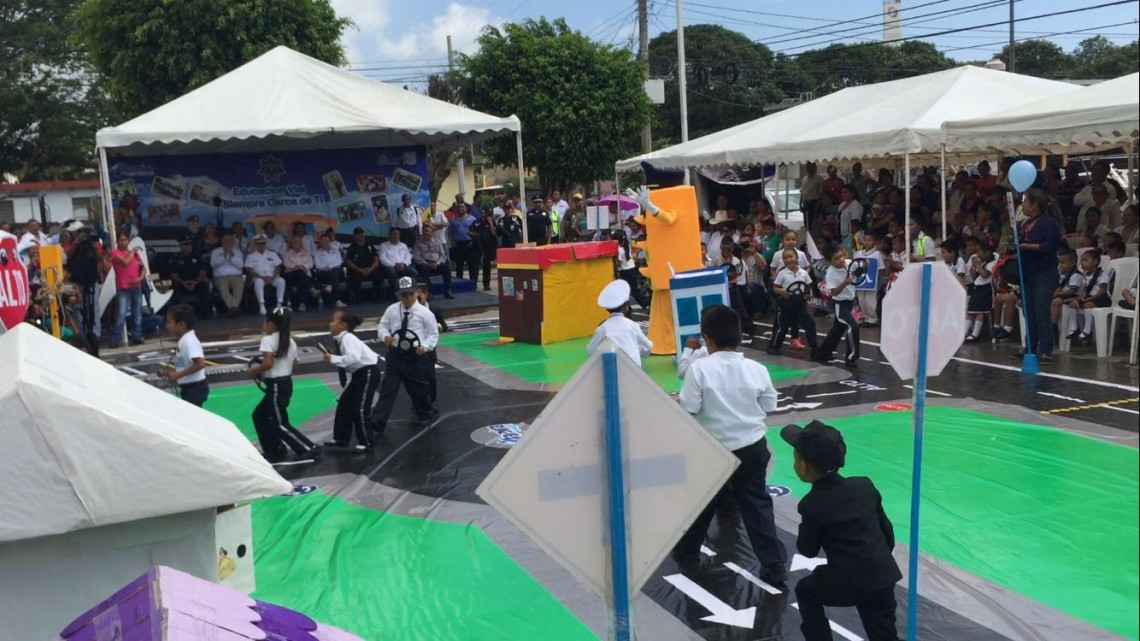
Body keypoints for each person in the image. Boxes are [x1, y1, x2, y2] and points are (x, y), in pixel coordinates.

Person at [674, 305, 787, 584]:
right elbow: (769, 404)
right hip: (751, 445)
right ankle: (774, 565)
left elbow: (690, 406)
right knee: (756, 504)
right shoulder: (757, 369)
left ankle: (687, 552)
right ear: (739, 337)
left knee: (702, 503)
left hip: (712, 449)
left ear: (707, 339)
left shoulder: (699, 368)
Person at [780, 421, 902, 641]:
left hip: (848, 581)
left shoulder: (812, 504)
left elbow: (807, 550)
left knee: (806, 591)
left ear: (803, 466)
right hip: (883, 574)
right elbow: (887, 533)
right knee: (883, 630)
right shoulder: (864, 486)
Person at [368, 277, 439, 433]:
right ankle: (378, 420)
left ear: (416, 293)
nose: (407, 298)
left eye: (410, 294)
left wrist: (425, 347)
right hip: (395, 354)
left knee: (418, 388)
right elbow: (383, 325)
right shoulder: (392, 310)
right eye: (403, 295)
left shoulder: (425, 313)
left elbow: (433, 334)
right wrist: (385, 336)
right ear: (397, 295)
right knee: (388, 387)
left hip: (415, 355)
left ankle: (426, 412)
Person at [247, 307, 318, 465]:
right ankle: (274, 449)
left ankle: (308, 447)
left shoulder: (268, 340)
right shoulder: (290, 341)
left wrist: (255, 370)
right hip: (286, 383)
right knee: (259, 415)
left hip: (276, 385)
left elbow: (268, 363)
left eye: (265, 321)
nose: (263, 324)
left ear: (271, 324)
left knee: (279, 423)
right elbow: (295, 366)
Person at [1012, 189, 1064, 365]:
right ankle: (1030, 347)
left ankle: (1046, 349)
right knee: (1029, 312)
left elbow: (1051, 244)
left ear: (1034, 205)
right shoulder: (1025, 223)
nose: (1023, 205)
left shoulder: (1048, 223)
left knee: (1041, 311)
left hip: (1044, 272)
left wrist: (1028, 246)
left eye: (1026, 201)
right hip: (1028, 272)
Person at [323, 309, 379, 452]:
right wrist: (335, 356)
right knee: (344, 404)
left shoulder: (347, 338)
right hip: (359, 374)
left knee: (360, 408)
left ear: (342, 325)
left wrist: (333, 359)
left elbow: (353, 358)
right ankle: (341, 438)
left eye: (333, 321)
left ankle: (366, 442)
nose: (330, 323)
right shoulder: (343, 339)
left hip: (367, 372)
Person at [587, 279, 652, 366]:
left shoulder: (603, 328)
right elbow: (649, 346)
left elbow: (590, 350)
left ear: (607, 309)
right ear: (626, 307)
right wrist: (640, 352)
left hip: (612, 371)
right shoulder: (632, 325)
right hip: (634, 372)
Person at [768, 248, 818, 356]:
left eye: (790, 256)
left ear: (797, 258)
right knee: (782, 327)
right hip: (786, 304)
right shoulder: (782, 273)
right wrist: (781, 291)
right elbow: (775, 288)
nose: (788, 260)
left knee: (810, 324)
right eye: (785, 258)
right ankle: (774, 346)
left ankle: (814, 348)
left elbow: (808, 287)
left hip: (800, 304)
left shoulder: (803, 273)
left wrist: (810, 295)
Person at [816, 247, 860, 367]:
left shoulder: (849, 263)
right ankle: (851, 357)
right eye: (836, 259)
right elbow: (833, 293)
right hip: (839, 303)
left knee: (839, 328)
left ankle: (823, 352)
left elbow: (862, 266)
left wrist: (863, 266)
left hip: (849, 301)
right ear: (830, 261)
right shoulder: (830, 273)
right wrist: (845, 283)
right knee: (853, 326)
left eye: (841, 256)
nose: (841, 260)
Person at [163, 304, 209, 407]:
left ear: (181, 325)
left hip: (194, 389)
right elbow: (185, 363)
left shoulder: (189, 341)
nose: (167, 326)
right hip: (189, 388)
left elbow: (200, 363)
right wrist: (167, 373)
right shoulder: (184, 340)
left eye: (169, 322)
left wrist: (178, 375)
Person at [1067, 248, 1112, 344]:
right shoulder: (1084, 275)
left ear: (1095, 262)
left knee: (1087, 305)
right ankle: (1074, 328)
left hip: (1102, 298)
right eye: (1081, 260)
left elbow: (1102, 290)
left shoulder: (1101, 274)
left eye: (1085, 260)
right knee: (1071, 304)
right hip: (1088, 298)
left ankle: (1087, 330)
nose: (1082, 263)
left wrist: (1090, 299)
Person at [109, 233, 146, 347]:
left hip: (136, 286)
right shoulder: (115, 253)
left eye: (125, 240)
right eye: (121, 240)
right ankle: (115, 340)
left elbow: (143, 267)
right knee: (121, 313)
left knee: (137, 313)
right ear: (117, 242)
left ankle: (136, 336)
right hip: (123, 288)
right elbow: (125, 263)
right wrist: (133, 252)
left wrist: (140, 278)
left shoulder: (134, 254)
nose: (123, 242)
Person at [416, 285, 447, 403]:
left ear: (426, 295)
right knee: (417, 378)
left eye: (420, 297)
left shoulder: (435, 309)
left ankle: (431, 401)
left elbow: (444, 327)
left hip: (429, 349)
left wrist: (438, 328)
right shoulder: (407, 310)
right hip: (414, 348)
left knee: (430, 377)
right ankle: (418, 401)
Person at [963, 240, 997, 342]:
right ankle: (963, 333)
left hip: (985, 288)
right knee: (971, 311)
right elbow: (974, 276)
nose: (977, 254)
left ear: (987, 253)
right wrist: (973, 267)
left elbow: (985, 275)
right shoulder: (980, 261)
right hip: (976, 287)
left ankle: (975, 334)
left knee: (980, 311)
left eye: (979, 252)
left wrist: (977, 265)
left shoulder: (992, 261)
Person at [170, 235, 211, 318]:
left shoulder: (197, 256)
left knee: (203, 286)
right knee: (175, 288)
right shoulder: (176, 258)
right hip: (181, 283)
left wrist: (195, 282)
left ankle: (204, 313)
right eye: (186, 244)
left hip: (195, 282)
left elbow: (202, 273)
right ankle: (177, 315)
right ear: (181, 246)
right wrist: (182, 282)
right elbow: (174, 275)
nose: (189, 246)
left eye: (190, 244)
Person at [244, 234, 286, 314]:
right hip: (259, 277)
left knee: (281, 281)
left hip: (272, 277)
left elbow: (278, 267)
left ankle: (279, 304)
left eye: (263, 243)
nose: (262, 246)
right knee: (259, 282)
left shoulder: (272, 254)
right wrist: (263, 277)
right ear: (255, 244)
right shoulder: (251, 256)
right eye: (259, 244)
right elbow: (250, 270)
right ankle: (262, 305)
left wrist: (272, 277)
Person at [210, 234, 245, 317]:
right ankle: (234, 307)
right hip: (220, 277)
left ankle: (233, 309)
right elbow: (213, 265)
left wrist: (232, 255)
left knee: (239, 288)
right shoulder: (216, 251)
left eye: (230, 240)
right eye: (226, 240)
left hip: (236, 276)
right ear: (222, 241)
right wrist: (224, 255)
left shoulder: (237, 251)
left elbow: (240, 265)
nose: (228, 242)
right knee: (223, 288)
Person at [413, 226, 454, 298]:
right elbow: (417, 258)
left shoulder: (437, 242)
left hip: (437, 263)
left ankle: (448, 291)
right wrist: (427, 264)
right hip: (424, 264)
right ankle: (429, 292)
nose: (425, 233)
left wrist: (437, 263)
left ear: (431, 233)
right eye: (424, 231)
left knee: (446, 267)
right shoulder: (418, 243)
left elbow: (443, 255)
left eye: (427, 231)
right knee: (423, 269)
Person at [345, 227, 382, 304]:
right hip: (357, 270)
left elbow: (376, 259)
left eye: (362, 234)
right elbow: (348, 262)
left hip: (370, 269)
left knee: (378, 276)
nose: (361, 235)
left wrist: (370, 269)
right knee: (355, 278)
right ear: (355, 236)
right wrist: (360, 270)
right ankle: (358, 298)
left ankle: (376, 296)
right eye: (359, 234)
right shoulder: (351, 248)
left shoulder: (369, 246)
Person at [378, 227, 418, 297]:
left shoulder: (403, 245)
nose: (396, 236)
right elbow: (382, 259)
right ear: (389, 235)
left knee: (413, 272)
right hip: (390, 267)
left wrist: (404, 264)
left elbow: (408, 257)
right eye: (394, 234)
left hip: (403, 266)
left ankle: (409, 292)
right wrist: (394, 265)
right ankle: (394, 294)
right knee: (392, 273)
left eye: (397, 234)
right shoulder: (383, 245)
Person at [854, 234, 883, 326]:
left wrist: (880, 283)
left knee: (870, 300)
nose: (866, 242)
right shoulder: (857, 254)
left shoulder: (877, 254)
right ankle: (865, 317)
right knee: (861, 300)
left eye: (869, 240)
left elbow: (881, 269)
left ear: (875, 242)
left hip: (872, 281)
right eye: (865, 240)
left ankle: (873, 319)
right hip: (860, 280)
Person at [312, 234, 346, 309]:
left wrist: (329, 267)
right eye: (323, 241)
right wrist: (326, 268)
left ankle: (330, 287)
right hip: (324, 273)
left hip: (337, 272)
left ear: (330, 242)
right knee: (334, 275)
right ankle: (337, 300)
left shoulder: (335, 250)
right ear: (320, 243)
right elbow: (318, 265)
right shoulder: (317, 253)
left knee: (335, 271)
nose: (325, 243)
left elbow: (339, 262)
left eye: (327, 241)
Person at [1050, 248, 1082, 328]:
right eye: (1059, 262)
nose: (1060, 265)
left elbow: (1072, 291)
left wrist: (1057, 294)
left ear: (1072, 263)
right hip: (1066, 297)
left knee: (1056, 301)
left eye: (1062, 262)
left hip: (1076, 298)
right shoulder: (1063, 275)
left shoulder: (1076, 275)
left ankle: (1054, 326)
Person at [282, 236, 315, 311]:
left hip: (305, 274)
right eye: (295, 242)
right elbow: (286, 264)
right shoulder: (287, 253)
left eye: (298, 242)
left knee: (303, 279)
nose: (297, 243)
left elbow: (311, 263)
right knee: (301, 273)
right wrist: (296, 267)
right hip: (291, 274)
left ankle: (302, 304)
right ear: (291, 244)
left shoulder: (305, 252)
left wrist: (303, 267)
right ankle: (311, 288)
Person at [449, 203, 479, 280]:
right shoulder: (453, 220)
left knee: (471, 264)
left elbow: (477, 232)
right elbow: (450, 233)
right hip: (458, 244)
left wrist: (472, 234)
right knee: (459, 265)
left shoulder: (472, 219)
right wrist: (452, 242)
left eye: (462, 207)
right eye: (459, 207)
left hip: (469, 243)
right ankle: (459, 281)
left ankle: (473, 282)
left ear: (466, 209)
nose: (460, 208)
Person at [472, 208, 498, 291]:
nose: (487, 215)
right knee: (475, 266)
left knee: (487, 266)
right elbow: (469, 230)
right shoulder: (478, 221)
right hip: (479, 245)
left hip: (488, 246)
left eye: (489, 214)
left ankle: (486, 284)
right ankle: (473, 284)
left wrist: (490, 222)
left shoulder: (492, 222)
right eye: (486, 214)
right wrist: (475, 234)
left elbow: (494, 233)